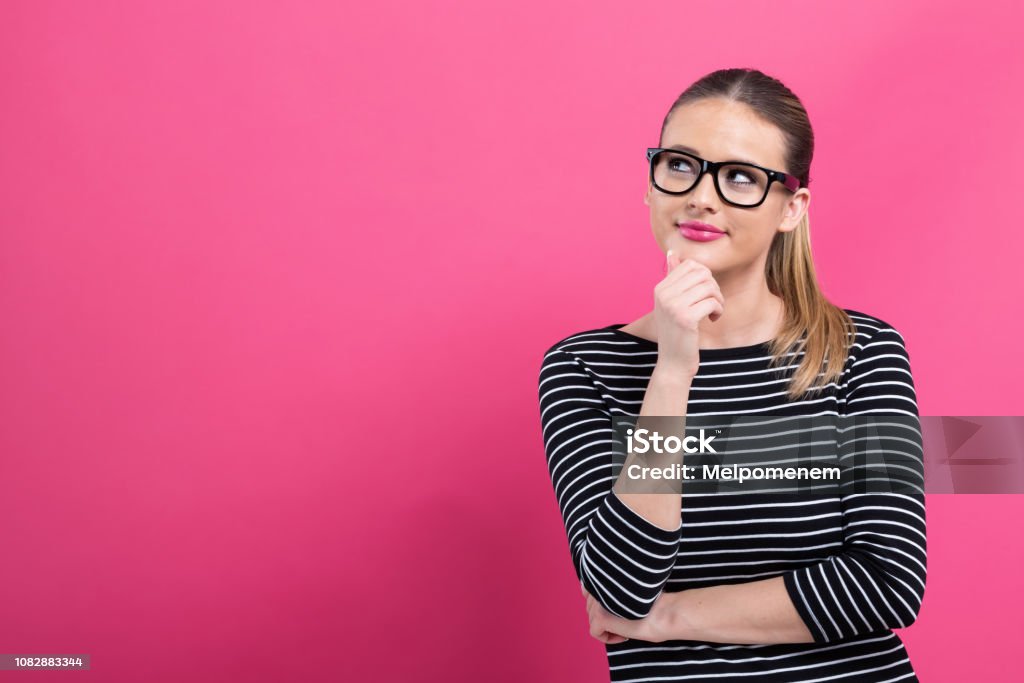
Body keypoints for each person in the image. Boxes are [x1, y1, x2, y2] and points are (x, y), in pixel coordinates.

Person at [537, 68, 926, 682]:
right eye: (681, 165)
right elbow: (620, 587)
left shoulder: (862, 351)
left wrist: (667, 619)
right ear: (651, 183)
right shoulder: (585, 368)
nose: (702, 195)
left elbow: (887, 582)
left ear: (790, 208)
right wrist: (673, 370)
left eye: (740, 176)